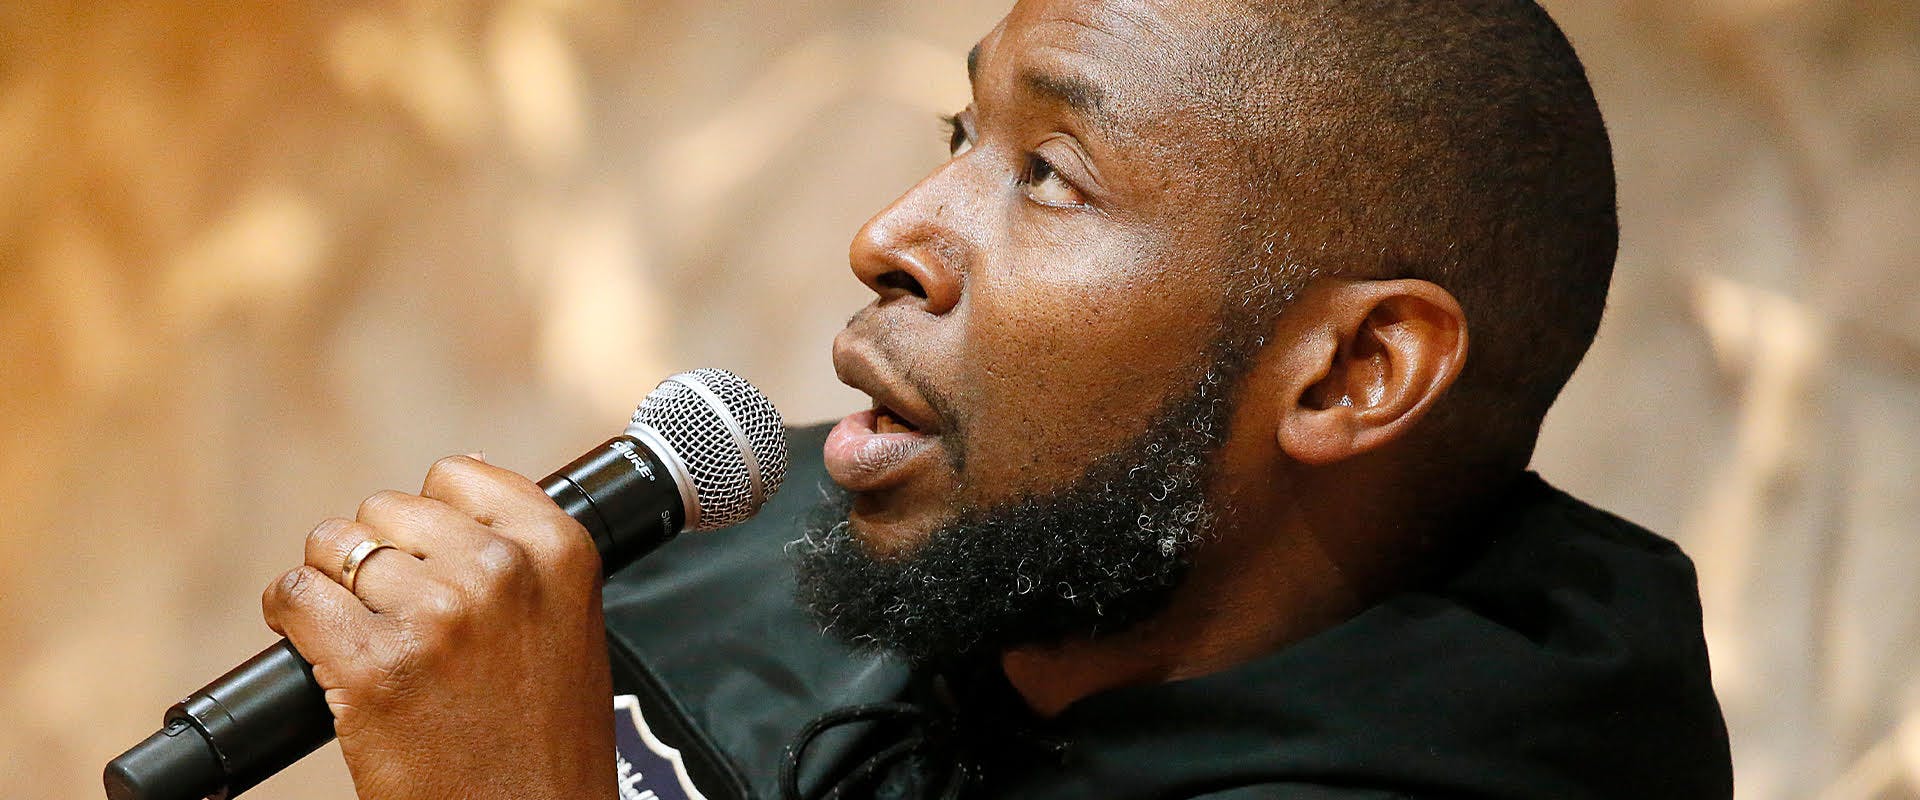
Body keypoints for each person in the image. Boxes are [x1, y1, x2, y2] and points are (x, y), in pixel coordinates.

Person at [260, 0, 1735, 797]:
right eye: (961, 130)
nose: (892, 232)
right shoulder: (762, 533)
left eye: (1048, 176)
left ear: (1354, 372)